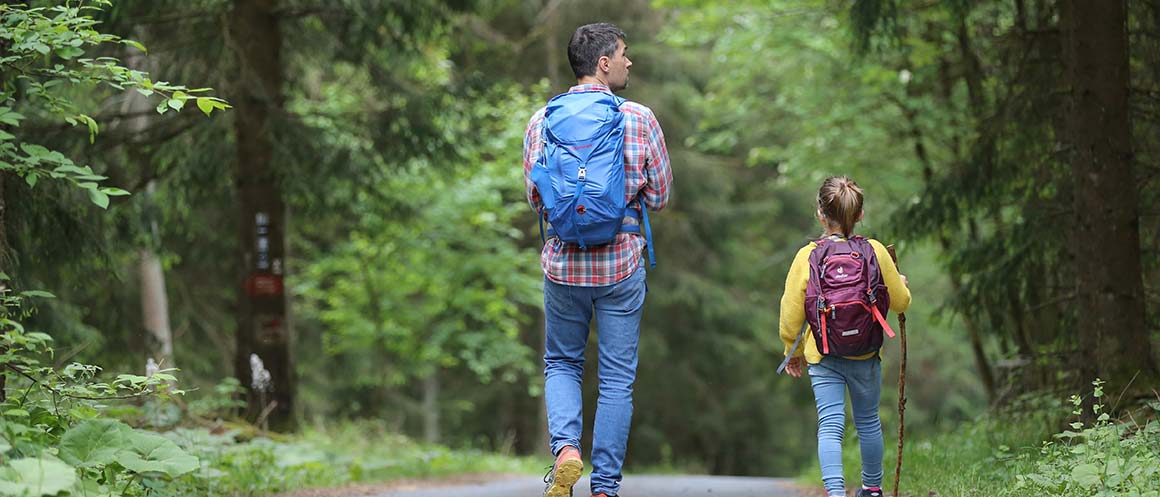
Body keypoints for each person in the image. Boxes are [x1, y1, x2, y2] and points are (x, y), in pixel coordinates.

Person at [522, 22, 672, 497]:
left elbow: (534, 196)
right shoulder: (639, 118)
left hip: (563, 265)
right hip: (621, 263)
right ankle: (604, 486)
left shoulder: (542, 120)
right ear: (603, 63)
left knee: (562, 363)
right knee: (616, 379)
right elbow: (662, 195)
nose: (630, 62)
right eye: (624, 54)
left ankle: (566, 449)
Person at [779, 176, 911, 497]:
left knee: (830, 426)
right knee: (867, 423)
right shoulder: (875, 252)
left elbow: (791, 314)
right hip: (865, 355)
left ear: (821, 214)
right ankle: (872, 489)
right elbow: (900, 302)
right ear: (860, 215)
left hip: (823, 356)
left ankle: (836, 492)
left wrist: (791, 351)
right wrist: (902, 282)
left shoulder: (807, 256)